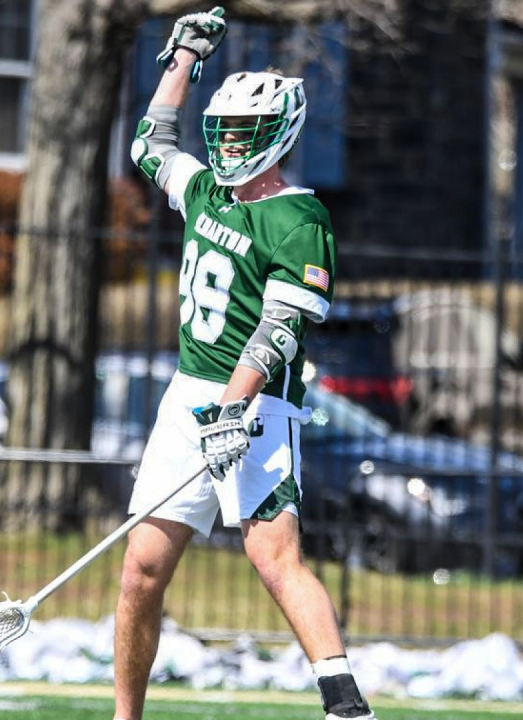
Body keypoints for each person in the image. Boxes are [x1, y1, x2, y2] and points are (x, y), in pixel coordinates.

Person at [116, 7, 376, 720]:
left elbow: (281, 325)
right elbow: (148, 142)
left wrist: (236, 405)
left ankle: (347, 707)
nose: (230, 141)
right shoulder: (203, 190)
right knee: (140, 572)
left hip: (256, 408)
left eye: (245, 131)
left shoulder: (299, 217)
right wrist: (181, 61)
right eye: (224, 129)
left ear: (279, 135)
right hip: (185, 402)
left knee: (274, 559)